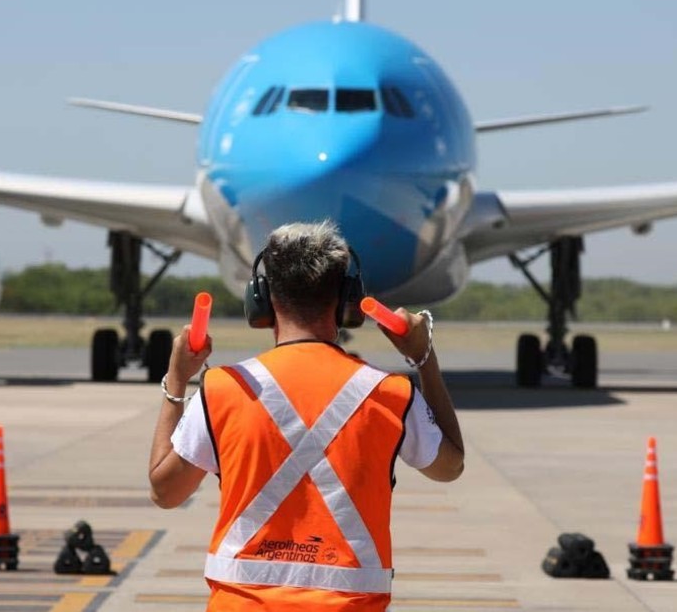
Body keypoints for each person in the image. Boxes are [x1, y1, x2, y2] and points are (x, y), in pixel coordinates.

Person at [148, 221, 464, 611]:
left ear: (261, 300)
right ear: (348, 299)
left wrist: (177, 380)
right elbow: (449, 466)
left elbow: (165, 492)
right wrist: (423, 357)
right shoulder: (389, 393)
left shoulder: (222, 389)